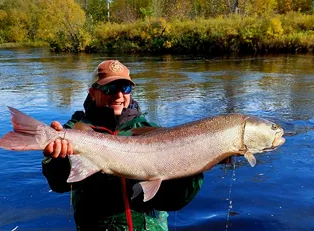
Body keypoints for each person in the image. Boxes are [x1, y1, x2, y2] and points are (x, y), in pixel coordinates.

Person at [42, 60, 204, 231]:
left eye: (125, 88)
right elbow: (58, 184)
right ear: (92, 92)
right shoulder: (74, 132)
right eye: (110, 88)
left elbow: (173, 201)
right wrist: (58, 160)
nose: (119, 95)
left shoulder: (152, 132)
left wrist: (193, 166)